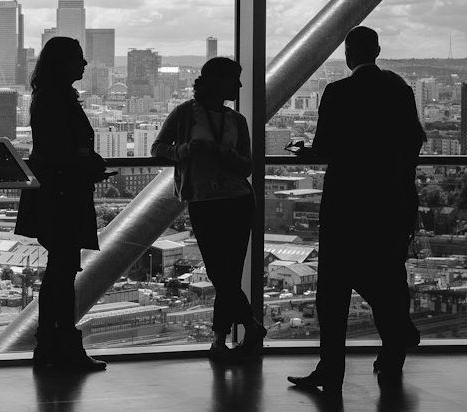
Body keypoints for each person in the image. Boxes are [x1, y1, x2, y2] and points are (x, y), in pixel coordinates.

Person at [287, 26, 425, 392]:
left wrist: (306, 154)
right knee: (388, 273)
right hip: (392, 201)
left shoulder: (338, 92)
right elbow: (415, 140)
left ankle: (331, 370)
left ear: (349, 54)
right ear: (377, 50)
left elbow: (326, 148)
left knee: (334, 289)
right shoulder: (400, 90)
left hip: (347, 202)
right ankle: (394, 346)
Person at [150, 57, 265, 361]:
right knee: (221, 273)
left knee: (226, 274)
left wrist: (218, 153)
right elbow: (158, 148)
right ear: (218, 82)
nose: (239, 86)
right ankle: (249, 326)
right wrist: (185, 150)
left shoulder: (236, 120)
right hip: (209, 200)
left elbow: (246, 165)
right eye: (234, 80)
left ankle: (219, 340)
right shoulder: (185, 114)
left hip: (235, 200)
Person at [14, 36, 109, 372]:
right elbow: (63, 151)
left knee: (59, 272)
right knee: (62, 273)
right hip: (63, 195)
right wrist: (87, 164)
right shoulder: (58, 99)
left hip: (53, 193)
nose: (84, 65)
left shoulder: (47, 97)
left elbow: (53, 150)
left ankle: (52, 345)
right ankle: (62, 346)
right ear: (63, 64)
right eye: (79, 59)